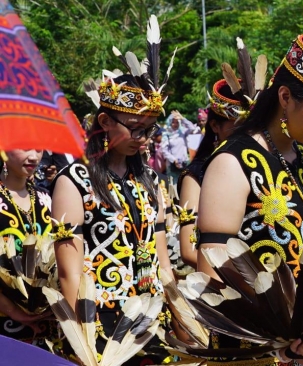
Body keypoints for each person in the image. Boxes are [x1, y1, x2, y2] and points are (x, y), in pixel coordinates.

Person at [196, 34, 303, 365]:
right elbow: (211, 265)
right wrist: (275, 342)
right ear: (285, 96)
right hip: (255, 347)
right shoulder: (232, 161)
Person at [50, 18, 173, 364]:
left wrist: (179, 313)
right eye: (134, 128)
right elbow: (68, 272)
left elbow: (162, 258)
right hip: (101, 327)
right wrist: (85, 343)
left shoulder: (148, 178)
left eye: (149, 130)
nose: (143, 139)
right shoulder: (74, 179)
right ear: (105, 122)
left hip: (152, 320)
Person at [0, 150, 58, 351]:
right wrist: (12, 310)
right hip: (5, 325)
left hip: (50, 324)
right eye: (25, 148)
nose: (34, 157)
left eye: (39, 148)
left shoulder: (48, 198)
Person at [178, 79, 239, 269]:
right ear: (215, 126)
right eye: (238, 126)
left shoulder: (261, 168)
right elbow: (189, 251)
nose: (247, 134)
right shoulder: (195, 176)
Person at [161, 110, 201, 183]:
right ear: (170, 122)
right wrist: (174, 160)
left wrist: (182, 118)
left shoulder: (183, 132)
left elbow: (193, 128)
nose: (175, 124)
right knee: (174, 187)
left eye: (177, 122)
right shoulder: (166, 134)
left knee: (185, 184)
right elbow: (164, 150)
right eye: (173, 122)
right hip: (172, 166)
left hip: (184, 163)